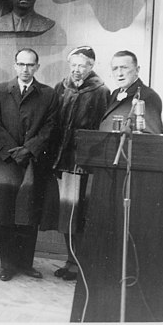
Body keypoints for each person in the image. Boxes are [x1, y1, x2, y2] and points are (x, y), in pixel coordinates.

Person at [0, 48, 58, 281]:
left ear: (37, 67)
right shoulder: (0, 91)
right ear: (14, 66)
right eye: (21, 64)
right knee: (5, 215)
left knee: (29, 214)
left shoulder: (47, 94)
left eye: (30, 65)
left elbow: (50, 126)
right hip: (6, 161)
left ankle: (26, 264)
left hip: (32, 161)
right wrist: (12, 151)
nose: (25, 69)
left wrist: (29, 150)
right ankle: (8, 265)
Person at [40, 46, 109, 281]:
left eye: (82, 65)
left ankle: (81, 264)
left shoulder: (100, 91)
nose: (77, 70)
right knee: (66, 213)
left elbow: (101, 127)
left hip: (84, 163)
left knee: (82, 214)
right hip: (62, 161)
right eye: (74, 65)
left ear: (91, 66)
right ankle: (70, 261)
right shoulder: (62, 86)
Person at [99, 50, 163, 134]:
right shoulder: (115, 93)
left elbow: (151, 138)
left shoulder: (148, 96)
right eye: (115, 69)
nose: (119, 73)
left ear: (137, 70)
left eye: (124, 68)